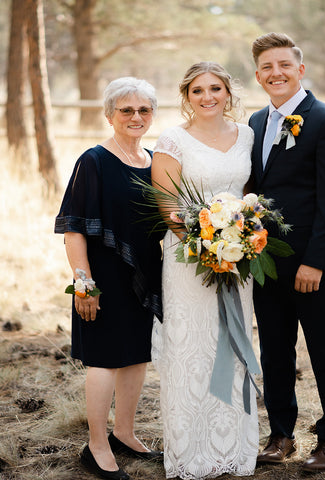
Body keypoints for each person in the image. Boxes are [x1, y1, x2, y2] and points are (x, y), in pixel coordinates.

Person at [248, 32, 325, 473]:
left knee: (324, 349)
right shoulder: (254, 123)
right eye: (267, 67)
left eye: (284, 65)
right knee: (275, 350)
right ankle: (281, 434)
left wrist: (314, 260)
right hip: (264, 259)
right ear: (258, 75)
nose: (277, 73)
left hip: (315, 261)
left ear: (300, 69)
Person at [150, 61, 259, 480]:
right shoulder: (172, 140)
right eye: (198, 90)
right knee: (191, 348)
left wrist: (240, 237)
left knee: (232, 344)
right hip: (189, 258)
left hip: (240, 257)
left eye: (216, 88)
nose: (208, 96)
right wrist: (206, 242)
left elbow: (247, 194)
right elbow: (168, 206)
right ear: (186, 96)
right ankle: (192, 450)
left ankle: (233, 446)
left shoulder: (246, 135)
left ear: (228, 93)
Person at [54, 77, 163, 480]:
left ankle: (125, 433)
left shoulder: (153, 160)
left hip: (143, 277)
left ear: (153, 114)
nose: (136, 117)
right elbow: (74, 228)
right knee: (103, 361)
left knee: (136, 357)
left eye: (144, 110)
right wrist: (84, 283)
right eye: (126, 110)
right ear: (109, 114)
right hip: (102, 278)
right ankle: (96, 446)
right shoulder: (94, 160)